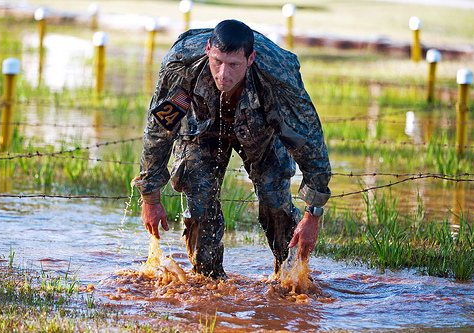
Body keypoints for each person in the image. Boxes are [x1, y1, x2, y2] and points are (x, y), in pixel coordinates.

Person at [133, 19, 331, 280]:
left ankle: (291, 281)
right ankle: (208, 284)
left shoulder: (278, 75)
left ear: (250, 59)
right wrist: (151, 197)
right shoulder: (182, 64)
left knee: (276, 206)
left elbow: (311, 144)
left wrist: (312, 216)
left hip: (261, 131)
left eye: (234, 65)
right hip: (202, 128)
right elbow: (160, 128)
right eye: (217, 61)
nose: (223, 74)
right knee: (200, 204)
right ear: (207, 50)